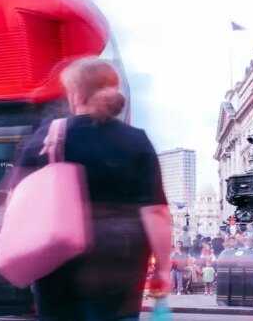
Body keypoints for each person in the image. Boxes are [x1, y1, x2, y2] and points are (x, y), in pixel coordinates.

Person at [15, 58, 168, 320]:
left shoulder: (48, 136)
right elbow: (156, 213)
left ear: (75, 92)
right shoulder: (136, 140)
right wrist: (162, 269)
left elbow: (18, 201)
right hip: (122, 263)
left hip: (58, 262)